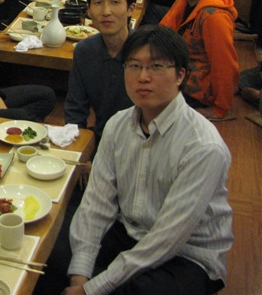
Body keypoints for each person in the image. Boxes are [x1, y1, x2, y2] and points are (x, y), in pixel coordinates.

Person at [64, 25, 233, 295]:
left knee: (137, 291)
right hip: (129, 230)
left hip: (187, 252)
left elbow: (168, 237)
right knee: (50, 254)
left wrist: (91, 289)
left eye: (156, 66)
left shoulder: (203, 146)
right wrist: (79, 277)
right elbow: (97, 202)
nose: (143, 77)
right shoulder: (117, 125)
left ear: (180, 75)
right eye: (134, 66)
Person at [160, 0, 239, 120]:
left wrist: (220, 108)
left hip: (198, 92)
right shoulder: (183, 1)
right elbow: (162, 35)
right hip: (179, 76)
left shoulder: (214, 16)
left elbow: (224, 65)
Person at [64, 0, 136, 143]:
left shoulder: (145, 53)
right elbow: (75, 110)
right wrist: (78, 148)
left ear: (131, 9)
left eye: (115, 2)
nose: (106, 11)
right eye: (98, 2)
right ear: (88, 10)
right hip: (102, 139)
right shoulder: (85, 50)